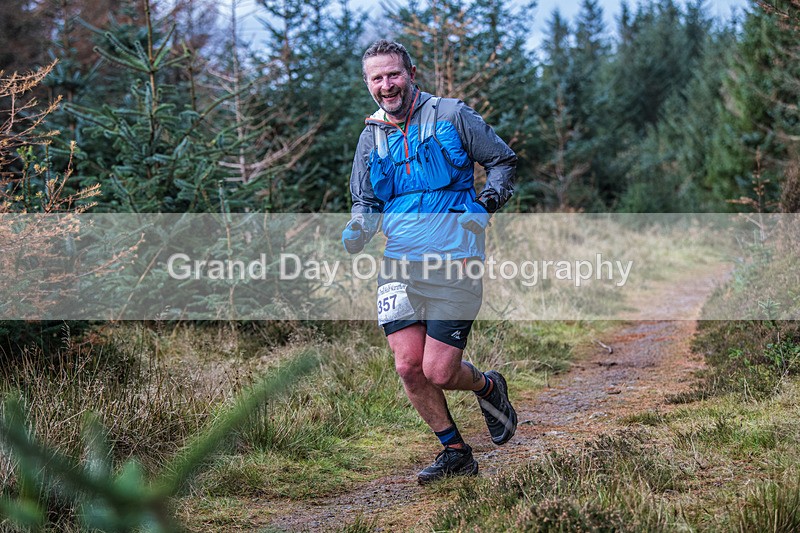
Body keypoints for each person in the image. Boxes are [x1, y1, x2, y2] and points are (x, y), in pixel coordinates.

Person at [342, 39, 517, 484]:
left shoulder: (451, 114)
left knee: (438, 370)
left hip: (456, 257)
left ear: (411, 74)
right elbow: (366, 200)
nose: (386, 85)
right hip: (398, 263)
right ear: (368, 84)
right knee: (407, 366)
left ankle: (488, 386)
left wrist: (485, 205)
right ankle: (455, 452)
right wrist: (360, 225)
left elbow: (502, 161)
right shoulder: (371, 135)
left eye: (393, 74)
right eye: (377, 78)